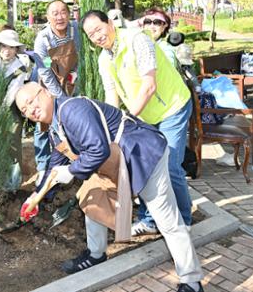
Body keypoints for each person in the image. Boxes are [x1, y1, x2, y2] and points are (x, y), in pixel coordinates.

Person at [15, 82, 204, 292]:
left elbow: (98, 150)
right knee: (92, 199)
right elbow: (55, 164)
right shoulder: (55, 128)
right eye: (24, 110)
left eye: (31, 101)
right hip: (116, 164)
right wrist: (37, 195)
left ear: (47, 92)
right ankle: (96, 255)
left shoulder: (72, 110)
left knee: (167, 221)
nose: (30, 109)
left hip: (143, 156)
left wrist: (71, 172)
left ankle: (192, 281)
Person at [82, 10, 193, 236]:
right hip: (145, 115)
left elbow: (149, 85)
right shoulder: (104, 58)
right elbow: (111, 94)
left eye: (99, 29)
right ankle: (149, 220)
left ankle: (184, 220)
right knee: (144, 165)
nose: (97, 36)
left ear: (110, 23)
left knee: (170, 167)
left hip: (172, 106)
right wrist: (108, 127)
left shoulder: (137, 39)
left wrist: (127, 118)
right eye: (91, 34)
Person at [32, 0, 81, 183]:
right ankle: (42, 166)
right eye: (55, 13)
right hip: (48, 78)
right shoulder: (42, 39)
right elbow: (43, 69)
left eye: (63, 12)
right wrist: (59, 96)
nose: (59, 17)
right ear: (48, 17)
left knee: (72, 120)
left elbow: (80, 56)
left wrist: (74, 75)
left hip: (71, 77)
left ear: (68, 14)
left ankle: (73, 161)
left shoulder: (75, 30)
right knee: (44, 124)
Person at [0, 29, 43, 190]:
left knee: (12, 148)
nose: (6, 51)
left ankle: (12, 185)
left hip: (10, 113)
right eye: (3, 46)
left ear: (16, 50)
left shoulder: (20, 69)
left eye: (11, 47)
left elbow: (11, 95)